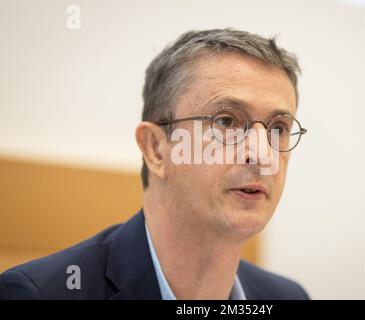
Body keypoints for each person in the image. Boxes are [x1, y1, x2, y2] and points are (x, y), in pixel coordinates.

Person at [0, 28, 309, 299]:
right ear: (156, 149)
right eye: (226, 121)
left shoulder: (289, 296)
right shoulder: (39, 293)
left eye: (278, 129)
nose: (262, 154)